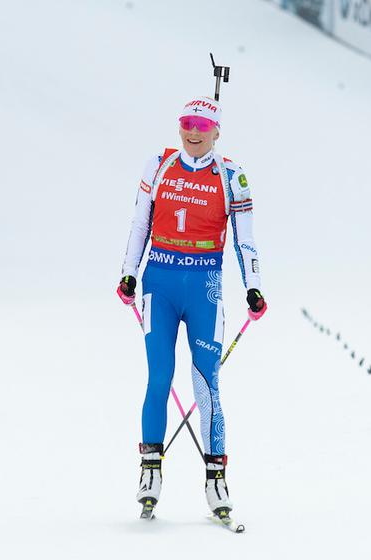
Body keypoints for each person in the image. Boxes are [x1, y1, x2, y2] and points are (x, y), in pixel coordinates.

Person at [117, 96, 267, 522]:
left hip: (205, 286)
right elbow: (139, 224)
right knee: (160, 376)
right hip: (159, 284)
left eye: (203, 125)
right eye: (187, 123)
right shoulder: (159, 165)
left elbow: (245, 239)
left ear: (217, 131)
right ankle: (150, 472)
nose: (193, 132)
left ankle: (216, 480)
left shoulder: (231, 176)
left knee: (206, 384)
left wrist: (253, 287)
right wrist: (128, 272)